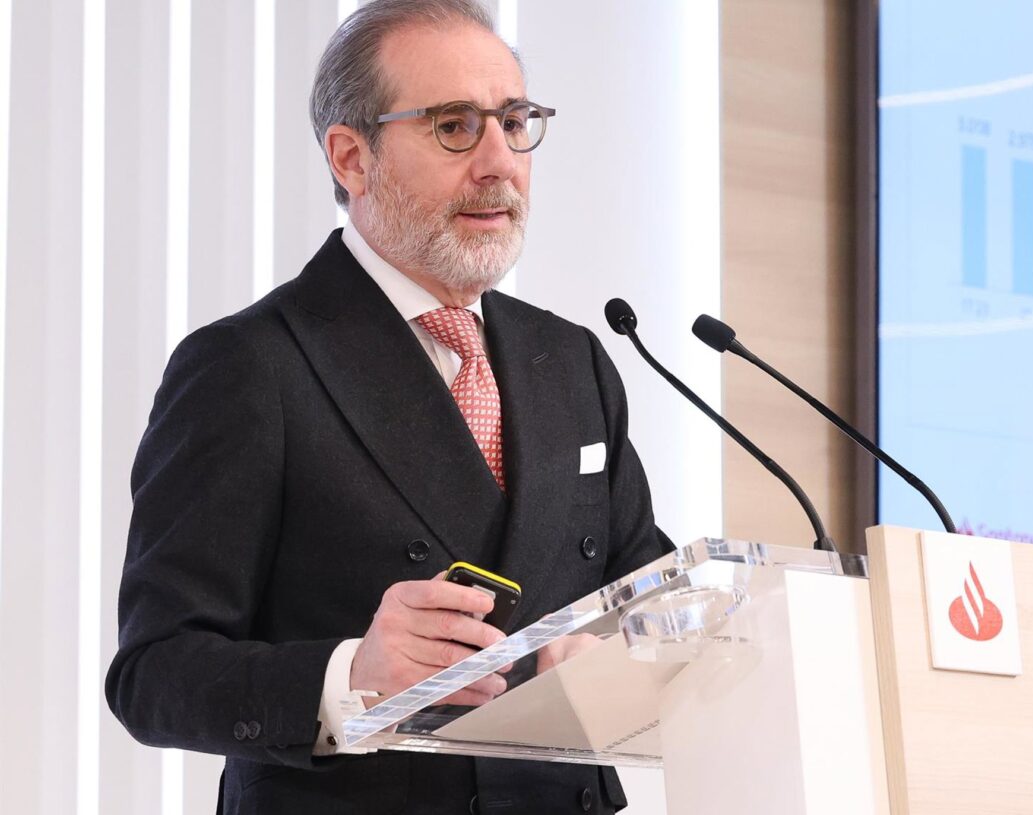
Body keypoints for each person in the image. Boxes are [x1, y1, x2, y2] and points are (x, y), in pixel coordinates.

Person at [105, 1, 672, 813]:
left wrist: (632, 654)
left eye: (514, 122)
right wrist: (351, 677)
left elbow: (644, 588)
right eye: (453, 126)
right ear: (350, 156)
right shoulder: (250, 366)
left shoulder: (571, 357)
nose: (498, 163)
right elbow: (153, 673)